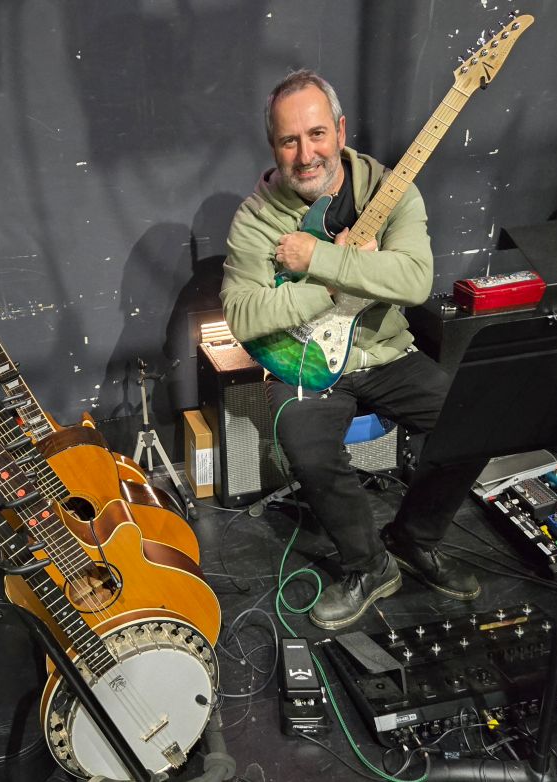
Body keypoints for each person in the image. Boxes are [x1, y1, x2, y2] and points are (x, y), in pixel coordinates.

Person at [220, 69, 481, 630]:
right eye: (289, 140)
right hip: (309, 362)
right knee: (305, 444)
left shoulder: (393, 190)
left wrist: (317, 261)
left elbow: (414, 280)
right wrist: (333, 287)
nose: (305, 153)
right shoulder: (256, 217)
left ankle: (414, 539)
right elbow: (243, 316)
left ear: (339, 130)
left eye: (316, 134)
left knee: (475, 420)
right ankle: (368, 565)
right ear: (274, 147)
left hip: (385, 353)